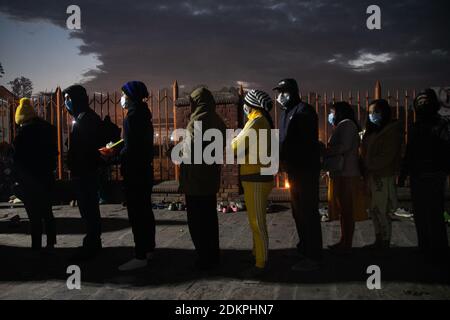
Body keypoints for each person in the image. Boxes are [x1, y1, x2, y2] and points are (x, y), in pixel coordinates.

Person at [273, 79, 322, 271]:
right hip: (293, 170)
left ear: (292, 92)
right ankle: (304, 248)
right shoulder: (287, 113)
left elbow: (302, 144)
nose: (280, 96)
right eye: (279, 92)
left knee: (308, 212)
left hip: (305, 170)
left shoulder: (304, 112)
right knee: (298, 212)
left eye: (283, 92)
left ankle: (314, 256)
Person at [179, 87, 226, 271]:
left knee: (197, 222)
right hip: (210, 177)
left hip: (195, 180)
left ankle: (203, 257)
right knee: (210, 220)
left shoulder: (196, 122)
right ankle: (213, 254)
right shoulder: (217, 120)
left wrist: (174, 151)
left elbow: (189, 152)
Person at [111, 81, 156, 271]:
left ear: (130, 97)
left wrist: (114, 153)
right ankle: (149, 249)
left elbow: (131, 149)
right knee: (146, 211)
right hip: (145, 171)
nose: (121, 99)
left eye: (123, 95)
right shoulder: (144, 115)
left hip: (134, 172)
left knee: (136, 214)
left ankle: (140, 255)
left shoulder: (131, 118)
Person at [401, 89, 450, 262]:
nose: (422, 105)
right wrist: (404, 172)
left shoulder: (442, 125)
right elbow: (410, 151)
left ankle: (438, 249)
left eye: (425, 102)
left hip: (434, 173)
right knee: (421, 213)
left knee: (434, 213)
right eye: (420, 102)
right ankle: (424, 246)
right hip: (418, 173)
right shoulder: (416, 126)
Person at [231, 90, 275, 277]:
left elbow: (235, 147)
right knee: (256, 220)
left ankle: (261, 262)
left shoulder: (256, 122)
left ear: (251, 105)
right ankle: (256, 253)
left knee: (257, 222)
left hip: (255, 178)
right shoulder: (262, 122)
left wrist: (235, 139)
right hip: (258, 176)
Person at [63, 85, 107, 261]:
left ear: (76, 100)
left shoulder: (86, 119)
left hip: (85, 171)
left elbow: (86, 148)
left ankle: (92, 243)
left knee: (89, 209)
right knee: (88, 209)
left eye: (68, 99)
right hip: (84, 170)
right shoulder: (83, 117)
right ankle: (93, 242)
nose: (66, 103)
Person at [12, 98, 58, 251]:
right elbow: (54, 153)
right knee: (47, 213)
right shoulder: (48, 129)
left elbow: (17, 161)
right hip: (46, 177)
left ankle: (36, 247)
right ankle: (51, 243)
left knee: (34, 217)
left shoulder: (22, 135)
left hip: (29, 181)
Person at [361, 99, 403, 250]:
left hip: (383, 176)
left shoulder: (391, 131)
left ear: (384, 113)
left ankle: (385, 242)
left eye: (376, 112)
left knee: (382, 211)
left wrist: (368, 164)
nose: (373, 115)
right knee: (373, 210)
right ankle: (378, 239)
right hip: (371, 176)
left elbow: (387, 156)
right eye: (371, 112)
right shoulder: (371, 132)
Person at [325, 102, 366, 254]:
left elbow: (345, 146)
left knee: (347, 210)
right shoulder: (344, 125)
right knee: (344, 210)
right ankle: (344, 241)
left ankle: (346, 243)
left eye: (332, 112)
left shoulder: (347, 125)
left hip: (347, 173)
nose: (331, 115)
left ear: (340, 112)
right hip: (342, 173)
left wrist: (326, 150)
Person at [98, 115, 121, 204]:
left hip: (103, 153)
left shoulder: (102, 127)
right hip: (111, 151)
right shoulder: (114, 127)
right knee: (105, 175)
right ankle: (105, 196)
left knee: (101, 176)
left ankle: (103, 197)